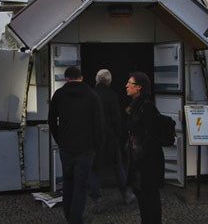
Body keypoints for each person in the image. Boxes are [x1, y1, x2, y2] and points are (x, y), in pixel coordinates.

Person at [48, 66, 104, 224]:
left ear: (66, 79)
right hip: (86, 147)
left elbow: (52, 120)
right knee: (81, 185)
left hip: (66, 146)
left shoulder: (59, 95)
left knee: (68, 182)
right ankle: (75, 219)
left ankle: (68, 215)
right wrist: (97, 145)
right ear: (82, 77)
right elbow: (99, 123)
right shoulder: (93, 95)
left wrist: (59, 139)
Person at [89, 69, 134, 208]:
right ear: (109, 81)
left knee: (94, 168)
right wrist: (119, 135)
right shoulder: (112, 95)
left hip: (94, 137)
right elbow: (117, 118)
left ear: (97, 80)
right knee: (118, 165)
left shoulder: (90, 94)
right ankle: (126, 194)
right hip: (110, 137)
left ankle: (96, 200)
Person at [125, 71, 164, 224]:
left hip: (148, 162)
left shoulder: (147, 108)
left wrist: (138, 147)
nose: (126, 85)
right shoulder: (135, 106)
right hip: (139, 161)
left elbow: (152, 136)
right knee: (142, 196)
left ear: (139, 87)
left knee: (150, 198)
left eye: (130, 83)